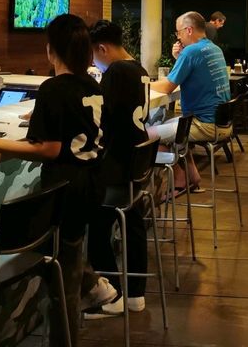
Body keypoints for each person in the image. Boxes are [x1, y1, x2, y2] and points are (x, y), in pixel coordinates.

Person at [0, 14, 115, 347]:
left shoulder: (53, 89)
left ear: (51, 51)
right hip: (92, 185)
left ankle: (84, 298)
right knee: (67, 261)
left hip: (64, 191)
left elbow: (48, 148)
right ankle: (93, 284)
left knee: (63, 285)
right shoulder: (93, 86)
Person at [84, 19, 150, 317]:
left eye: (93, 55)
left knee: (96, 228)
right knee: (133, 224)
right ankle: (135, 294)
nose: (93, 61)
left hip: (115, 166)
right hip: (134, 166)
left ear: (101, 48)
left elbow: (98, 115)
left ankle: (112, 296)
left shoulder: (117, 72)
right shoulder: (139, 69)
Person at [149, 11, 231, 188]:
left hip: (204, 124)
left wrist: (143, 83)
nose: (178, 37)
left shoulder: (191, 52)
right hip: (221, 122)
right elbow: (195, 73)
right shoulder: (214, 49)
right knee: (169, 123)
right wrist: (179, 58)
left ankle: (180, 179)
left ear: (188, 30)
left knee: (148, 135)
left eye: (178, 32)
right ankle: (192, 177)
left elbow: (167, 86)